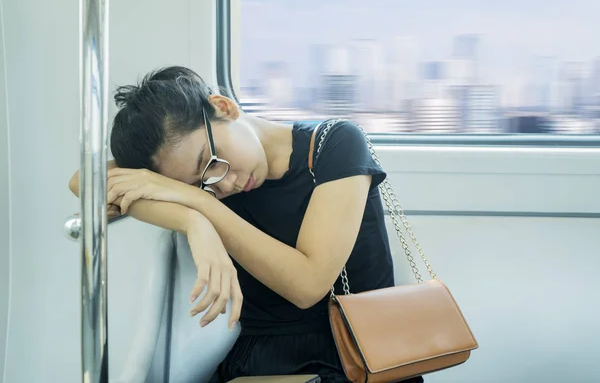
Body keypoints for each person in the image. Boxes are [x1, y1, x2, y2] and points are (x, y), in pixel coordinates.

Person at [68, 66, 424, 383]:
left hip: (359, 356)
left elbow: (307, 285)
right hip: (256, 359)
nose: (222, 185)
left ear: (224, 107)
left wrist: (199, 203)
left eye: (210, 161)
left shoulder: (337, 144)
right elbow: (83, 180)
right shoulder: (211, 189)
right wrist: (193, 221)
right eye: (196, 183)